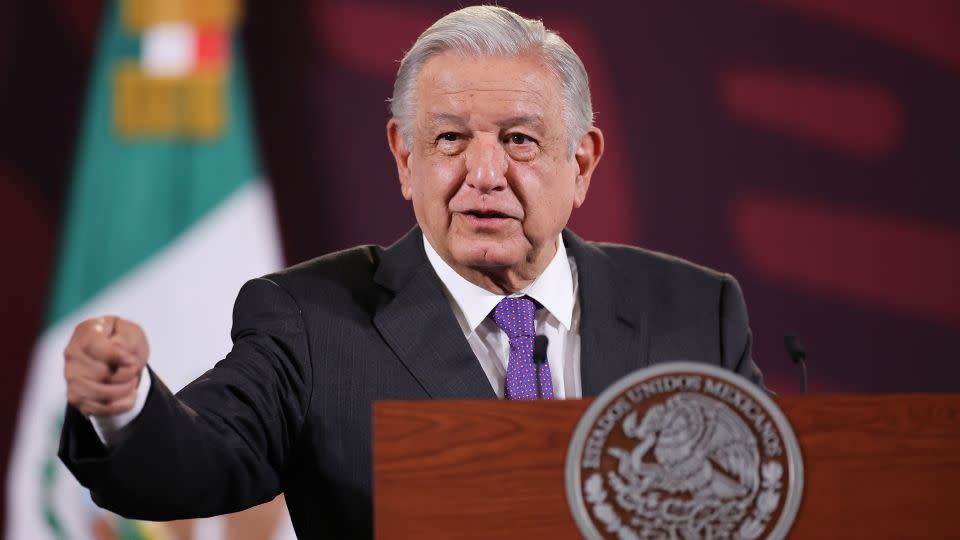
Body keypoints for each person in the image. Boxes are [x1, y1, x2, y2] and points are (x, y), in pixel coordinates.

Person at [59, 5, 764, 538]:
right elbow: (195, 461)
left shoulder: (696, 312)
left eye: (519, 140)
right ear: (404, 157)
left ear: (580, 163)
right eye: (450, 139)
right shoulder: (311, 321)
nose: (483, 175)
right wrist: (120, 407)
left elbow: (773, 499)